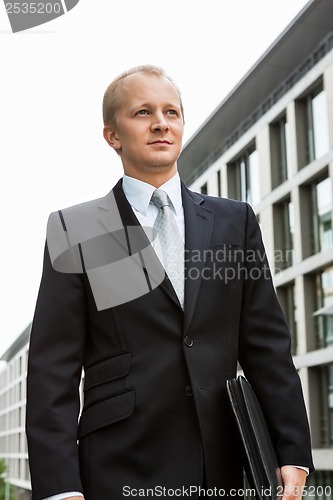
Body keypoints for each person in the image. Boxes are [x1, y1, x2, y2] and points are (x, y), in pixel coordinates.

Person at [26, 65, 314, 500]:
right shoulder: (78, 228)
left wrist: (293, 449)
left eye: (172, 112)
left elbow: (267, 346)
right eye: (143, 112)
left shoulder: (233, 222)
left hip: (220, 467)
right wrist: (61, 488)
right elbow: (52, 371)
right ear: (112, 135)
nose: (161, 122)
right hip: (118, 469)